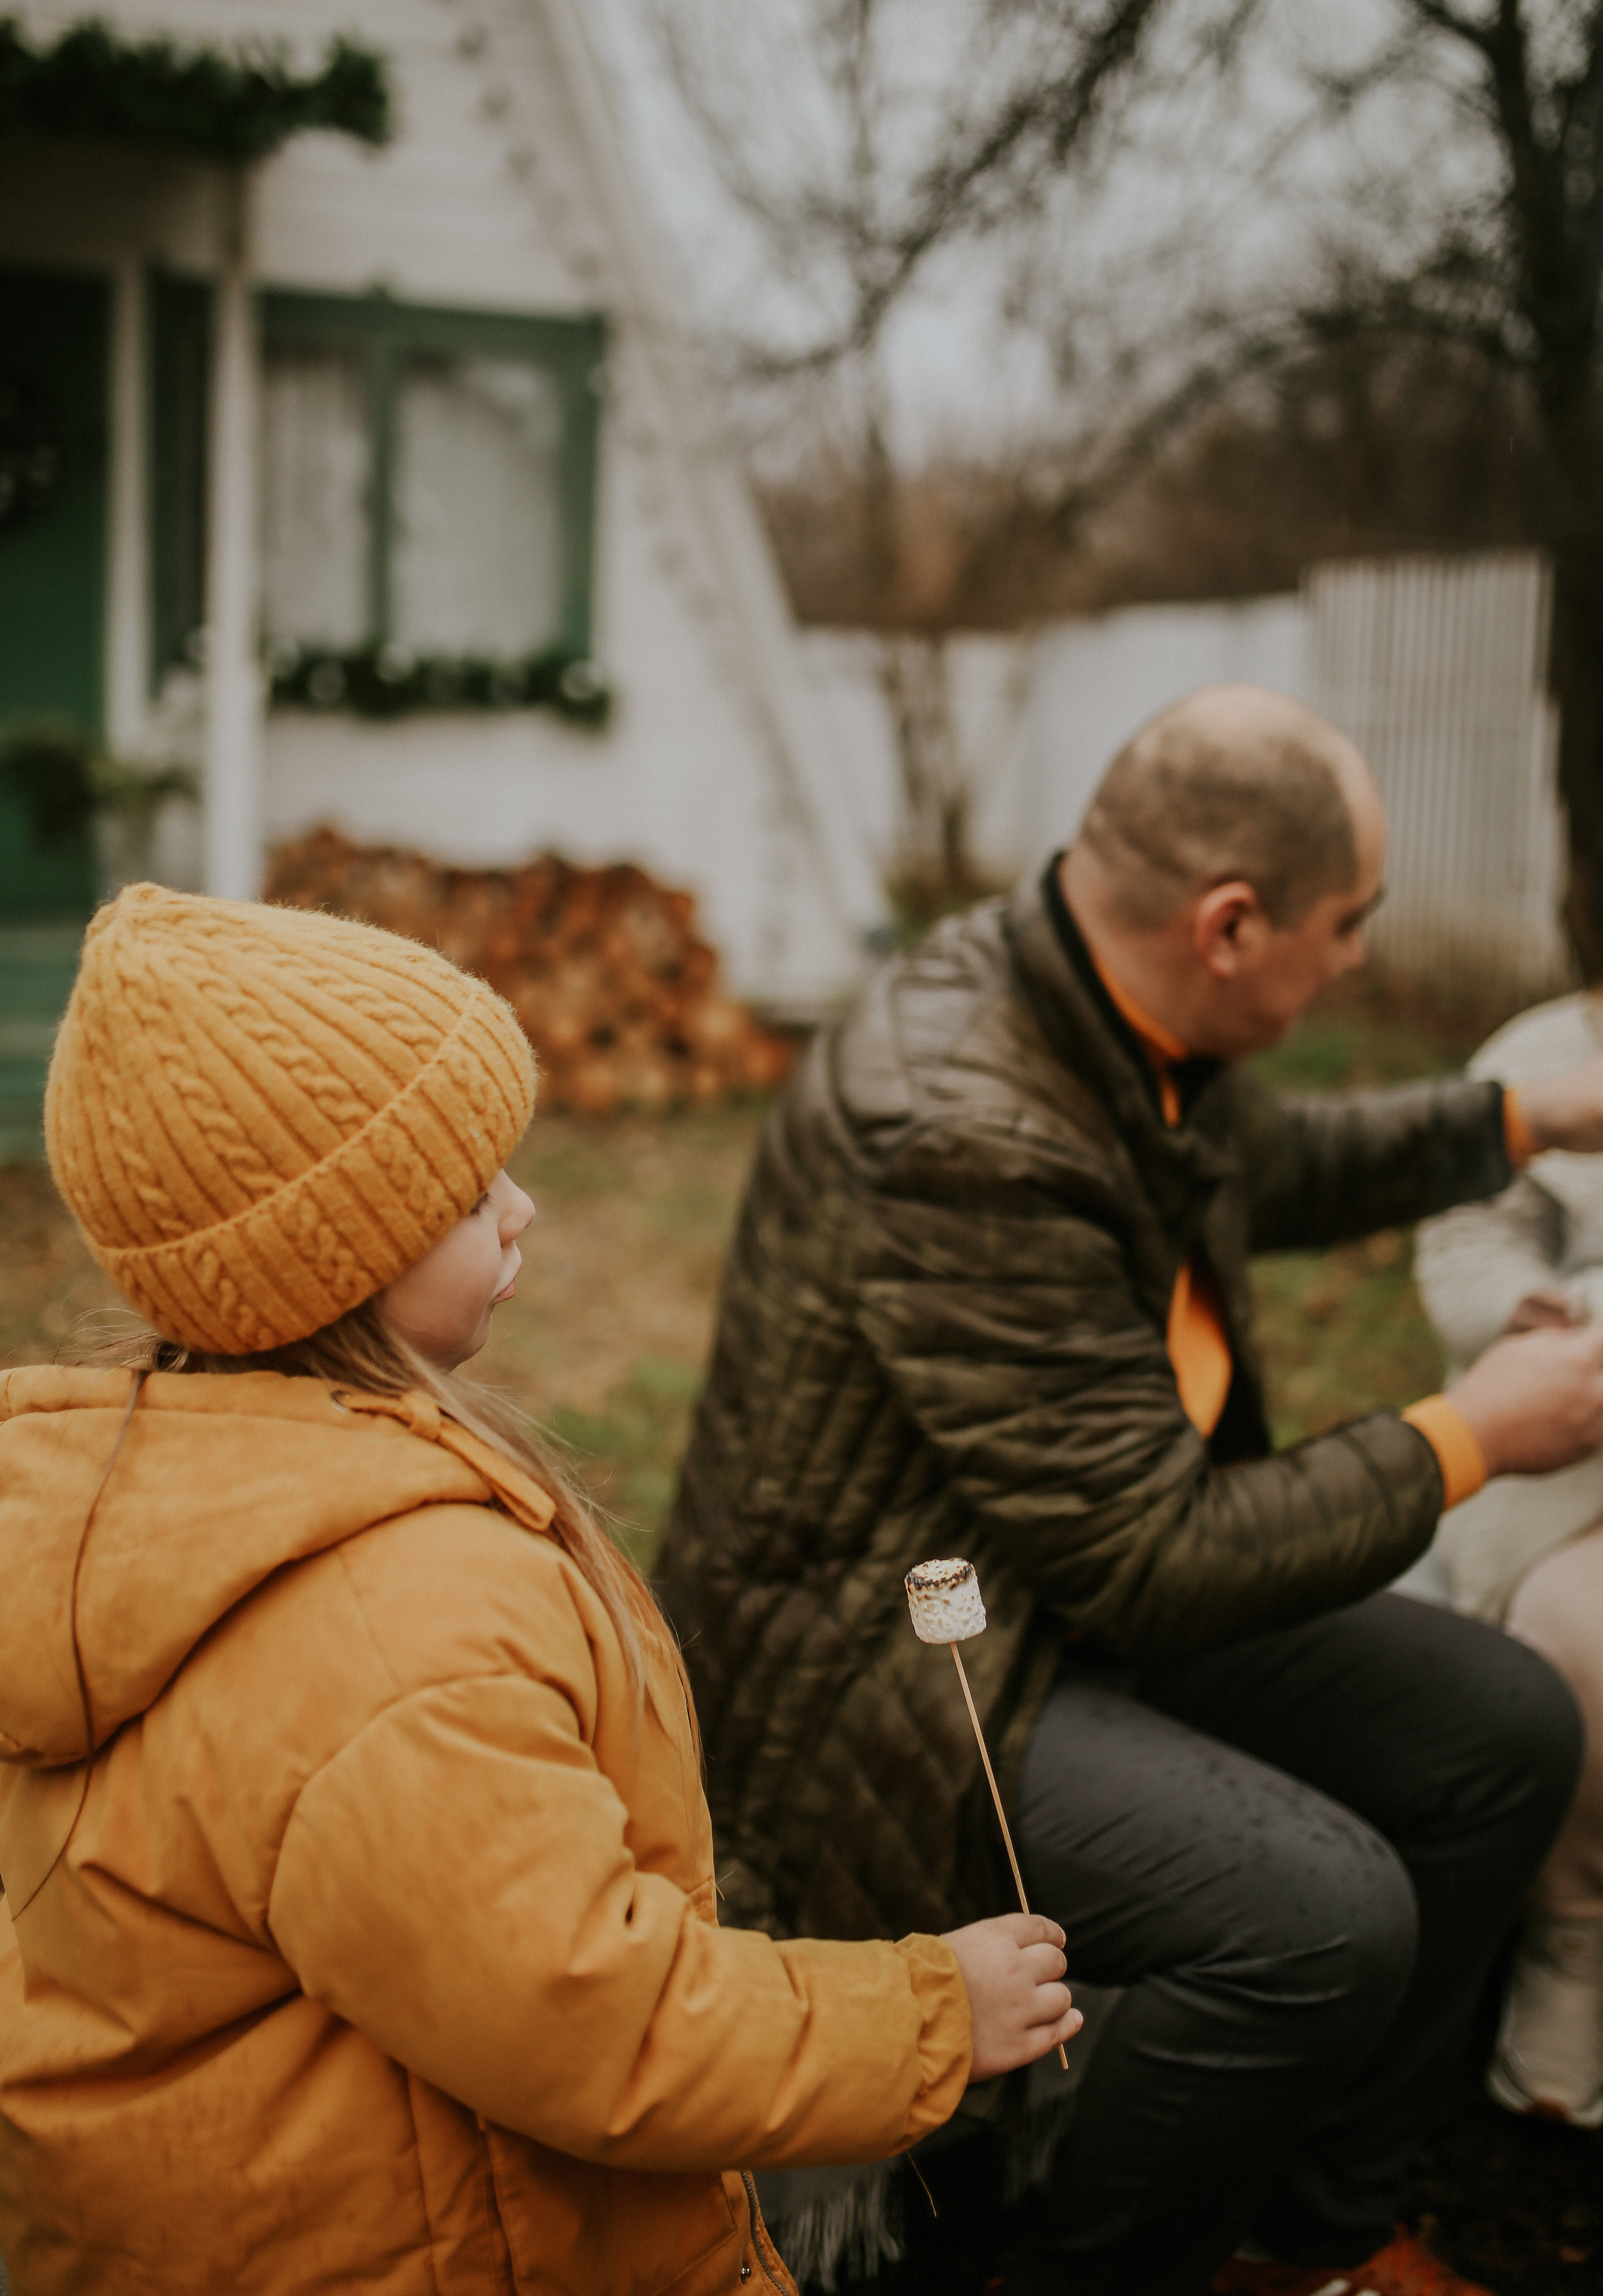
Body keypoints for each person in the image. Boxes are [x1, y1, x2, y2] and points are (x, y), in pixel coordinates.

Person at [0, 883, 1080, 2296]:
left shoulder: (166, 1486)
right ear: (331, 1255)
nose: (522, 1208)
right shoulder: (390, 1634)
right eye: (466, 1195)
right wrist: (928, 2014)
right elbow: (599, 2019)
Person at [657, 684, 1603, 2296]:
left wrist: (1523, 1117)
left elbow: (1269, 1166)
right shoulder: (963, 1122)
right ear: (1227, 926)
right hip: (900, 1663)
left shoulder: (1102, 1005)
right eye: (1348, 922)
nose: (1356, 958)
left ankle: (1302, 2236)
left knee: (1500, 1728)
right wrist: (1472, 1431)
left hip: (1061, 1578)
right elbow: (1152, 1565)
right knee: (1318, 1914)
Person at [1416, 989, 1603, 2133]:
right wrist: (1535, 1311)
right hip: (1563, 1465)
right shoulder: (1543, 1055)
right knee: (1586, 1644)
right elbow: (1463, 1236)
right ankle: (1571, 1936)